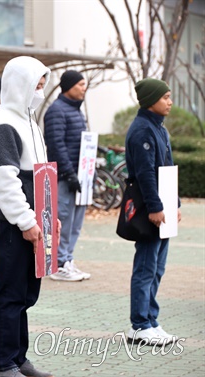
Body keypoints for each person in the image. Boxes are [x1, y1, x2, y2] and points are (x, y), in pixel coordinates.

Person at [0, 56, 55, 377]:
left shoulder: (29, 122)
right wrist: (26, 221)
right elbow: (5, 181)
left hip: (34, 223)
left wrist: (49, 218)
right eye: (36, 85)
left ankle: (18, 358)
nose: (40, 91)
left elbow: (41, 177)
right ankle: (2, 365)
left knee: (25, 294)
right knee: (10, 295)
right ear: (20, 85)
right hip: (13, 224)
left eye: (42, 85)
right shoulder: (3, 124)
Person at [124, 78, 180, 346]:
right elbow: (145, 174)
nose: (170, 102)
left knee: (157, 267)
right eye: (165, 97)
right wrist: (156, 208)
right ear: (150, 101)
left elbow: (168, 167)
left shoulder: (158, 128)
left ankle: (151, 319)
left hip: (162, 206)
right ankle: (139, 324)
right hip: (150, 208)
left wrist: (175, 204)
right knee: (146, 266)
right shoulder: (142, 131)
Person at [44, 70, 91, 282]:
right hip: (66, 177)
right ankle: (59, 263)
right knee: (63, 219)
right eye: (81, 84)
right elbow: (56, 145)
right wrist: (69, 173)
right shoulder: (56, 111)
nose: (84, 88)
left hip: (81, 176)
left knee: (76, 222)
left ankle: (68, 259)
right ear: (69, 86)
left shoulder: (76, 111)